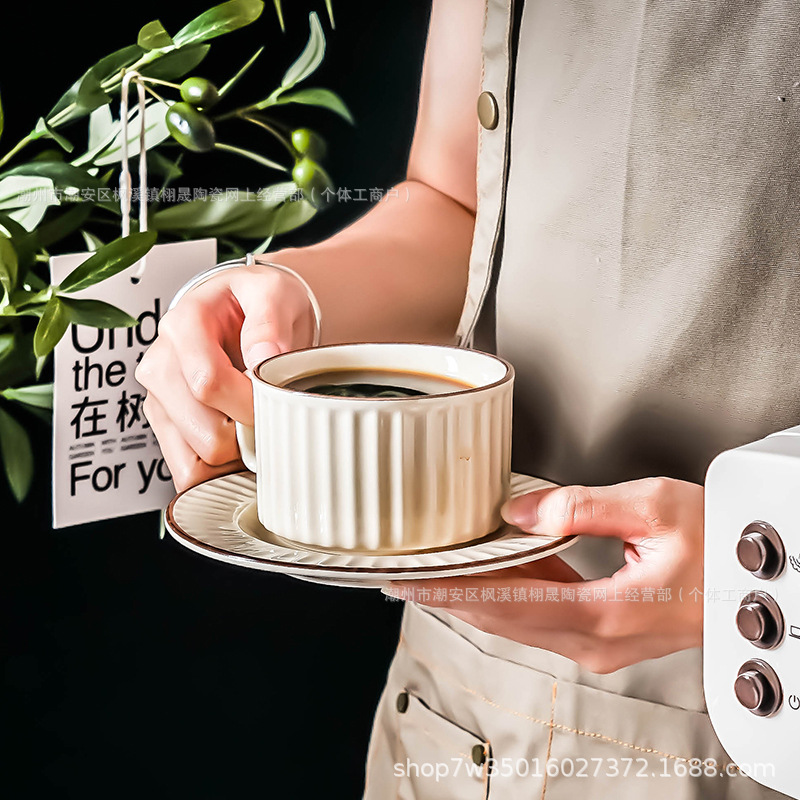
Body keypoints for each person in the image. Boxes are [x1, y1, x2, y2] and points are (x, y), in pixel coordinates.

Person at [137, 1, 798, 797]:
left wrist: (767, 563)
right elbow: (457, 202)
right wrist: (290, 293)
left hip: (742, 725)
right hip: (451, 720)